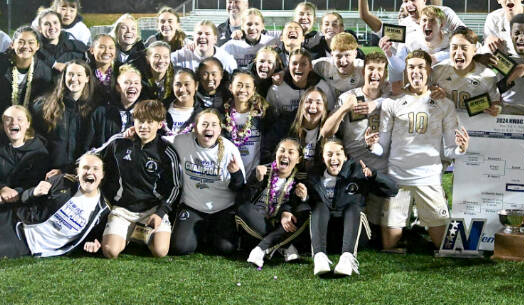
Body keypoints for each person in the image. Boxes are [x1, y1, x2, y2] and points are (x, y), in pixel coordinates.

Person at [368, 50, 469, 251]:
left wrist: (461, 149)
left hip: (428, 177)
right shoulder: (391, 103)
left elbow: (449, 150)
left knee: (443, 245)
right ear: (406, 71)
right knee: (390, 244)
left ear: (429, 70)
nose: (416, 72)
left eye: (421, 67)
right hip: (398, 178)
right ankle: (411, 231)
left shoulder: (444, 104)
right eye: (411, 67)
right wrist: (372, 145)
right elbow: (383, 147)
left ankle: (417, 230)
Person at [95, 99, 182, 259]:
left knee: (160, 251)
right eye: (140, 121)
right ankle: (131, 232)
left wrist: (161, 213)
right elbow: (93, 157)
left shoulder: (166, 151)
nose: (144, 126)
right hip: (123, 210)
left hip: (152, 210)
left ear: (160, 124)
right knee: (110, 252)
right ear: (133, 121)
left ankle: (137, 233)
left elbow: (176, 186)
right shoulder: (119, 143)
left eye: (150, 122)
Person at [322, 52, 392, 238]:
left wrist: (376, 104)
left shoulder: (391, 96)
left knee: (380, 232)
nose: (374, 74)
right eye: (371, 69)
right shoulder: (349, 97)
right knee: (355, 228)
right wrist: (345, 109)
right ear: (363, 71)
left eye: (379, 70)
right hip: (354, 170)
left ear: (385, 74)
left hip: (383, 171)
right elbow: (326, 132)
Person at [306, 139, 398, 276]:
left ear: (345, 156)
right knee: (318, 206)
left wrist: (374, 176)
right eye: (329, 154)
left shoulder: (357, 171)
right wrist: (303, 197)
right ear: (322, 157)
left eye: (338, 154)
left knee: (353, 207)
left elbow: (392, 190)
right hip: (326, 236)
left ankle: (348, 258)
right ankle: (319, 257)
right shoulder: (314, 175)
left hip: (354, 235)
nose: (334, 158)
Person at [170, 108, 246, 256]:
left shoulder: (230, 149)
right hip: (193, 206)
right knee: (180, 247)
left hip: (221, 208)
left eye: (213, 124)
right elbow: (158, 141)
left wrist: (235, 173)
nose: (209, 128)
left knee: (225, 248)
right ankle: (200, 232)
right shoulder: (181, 141)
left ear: (219, 129)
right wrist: (130, 133)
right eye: (204, 124)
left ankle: (209, 232)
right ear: (195, 127)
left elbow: (240, 187)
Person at [239, 138, 310, 268]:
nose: (285, 155)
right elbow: (243, 199)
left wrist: (304, 197)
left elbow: (299, 206)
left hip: (284, 225)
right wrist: (256, 180)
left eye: (291, 152)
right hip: (261, 222)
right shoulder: (263, 170)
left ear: (299, 159)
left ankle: (260, 249)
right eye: (281, 150)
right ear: (276, 154)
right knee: (243, 208)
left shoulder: (302, 179)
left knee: (305, 209)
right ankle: (285, 245)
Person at [0, 25, 56, 130]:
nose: (25, 46)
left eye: (31, 42)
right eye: (21, 42)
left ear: (37, 46)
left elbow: (42, 106)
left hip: (29, 125)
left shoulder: (44, 71)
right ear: (12, 44)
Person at [0, 105, 51, 203]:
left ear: (28, 124)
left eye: (20, 119)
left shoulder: (39, 152)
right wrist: (1, 189)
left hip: (21, 204)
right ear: (3, 124)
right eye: (8, 119)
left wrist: (11, 195)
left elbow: (33, 184)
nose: (14, 123)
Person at [33, 59, 97, 176]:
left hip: (81, 173)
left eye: (79, 75)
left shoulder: (94, 110)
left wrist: (70, 169)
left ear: (87, 78)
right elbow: (38, 140)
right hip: (49, 172)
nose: (74, 79)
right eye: (70, 74)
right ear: (64, 77)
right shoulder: (45, 105)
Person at [428, 28, 502, 117]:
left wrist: (496, 109)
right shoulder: (437, 71)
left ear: (474, 50)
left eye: (464, 48)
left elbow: (495, 102)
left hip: (475, 127)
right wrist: (429, 93)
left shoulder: (488, 76)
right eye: (454, 47)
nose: (459, 53)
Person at [224, 71, 280, 173]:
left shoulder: (263, 114)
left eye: (247, 86)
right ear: (230, 87)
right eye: (239, 85)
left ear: (253, 90)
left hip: (255, 178)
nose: (243, 90)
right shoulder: (222, 115)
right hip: (229, 175)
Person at [267, 49, 334, 125]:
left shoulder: (322, 87)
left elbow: (330, 113)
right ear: (288, 66)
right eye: (294, 63)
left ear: (310, 67)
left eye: (303, 64)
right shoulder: (276, 89)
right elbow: (271, 118)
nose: (298, 67)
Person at [85, 64, 145, 149]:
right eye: (127, 82)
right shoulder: (101, 113)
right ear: (118, 87)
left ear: (141, 87)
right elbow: (88, 146)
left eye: (136, 83)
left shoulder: (147, 114)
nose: (132, 86)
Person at [172, 20, 237, 72]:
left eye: (207, 34)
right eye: (199, 33)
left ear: (215, 39)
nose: (202, 36)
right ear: (193, 38)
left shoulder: (226, 60)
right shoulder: (181, 55)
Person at [165, 69, 202, 137]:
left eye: (187, 84)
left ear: (196, 85)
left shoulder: (203, 114)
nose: (182, 89)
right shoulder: (162, 109)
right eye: (177, 85)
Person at [87, 33, 121, 101]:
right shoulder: (85, 71)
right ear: (92, 50)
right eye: (102, 47)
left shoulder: (122, 71)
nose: (107, 51)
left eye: (111, 48)